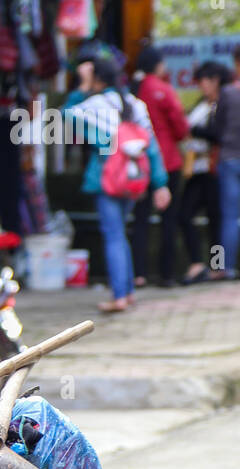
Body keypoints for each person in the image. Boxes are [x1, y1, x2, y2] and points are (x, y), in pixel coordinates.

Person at [64, 56, 169, 313]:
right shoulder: (136, 105)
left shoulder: (94, 104)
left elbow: (65, 117)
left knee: (113, 236)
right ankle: (128, 292)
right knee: (120, 233)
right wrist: (160, 183)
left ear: (98, 78)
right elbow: (152, 147)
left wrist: (82, 86)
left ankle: (120, 295)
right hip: (133, 180)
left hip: (108, 180)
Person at [130, 45, 190, 287]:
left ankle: (139, 274)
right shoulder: (163, 89)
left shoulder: (133, 91)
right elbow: (181, 128)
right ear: (157, 65)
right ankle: (167, 275)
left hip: (139, 162)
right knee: (168, 218)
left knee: (140, 219)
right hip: (167, 163)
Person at [179, 61, 228, 285]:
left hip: (214, 169)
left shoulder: (224, 103)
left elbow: (219, 135)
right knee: (184, 214)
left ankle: (217, 267)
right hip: (195, 168)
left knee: (214, 220)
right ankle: (197, 263)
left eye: (204, 82)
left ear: (215, 81)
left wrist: (195, 130)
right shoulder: (201, 105)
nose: (201, 87)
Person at [215, 44, 240, 278]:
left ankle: (226, 269)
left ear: (238, 61)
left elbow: (217, 127)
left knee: (229, 216)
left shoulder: (228, 92)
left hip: (231, 159)